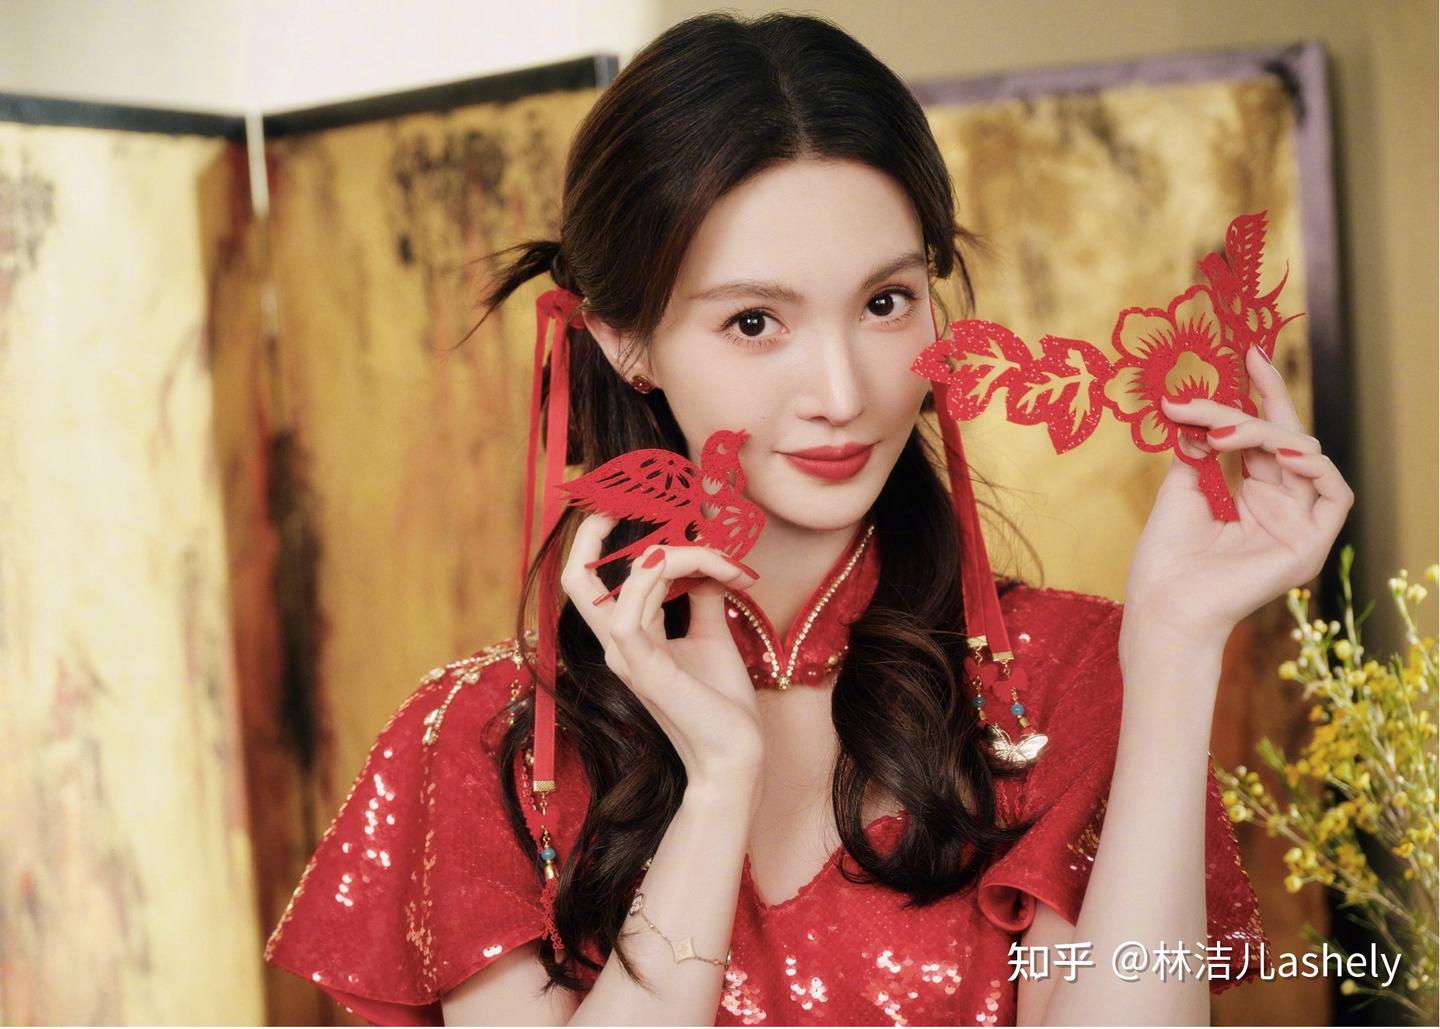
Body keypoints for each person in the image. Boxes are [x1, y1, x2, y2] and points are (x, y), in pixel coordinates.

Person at [263, 11, 1353, 1026]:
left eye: (884, 302)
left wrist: (1175, 649)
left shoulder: (1064, 678)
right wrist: (718, 783)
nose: (842, 391)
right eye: (754, 321)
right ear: (624, 341)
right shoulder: (493, 743)